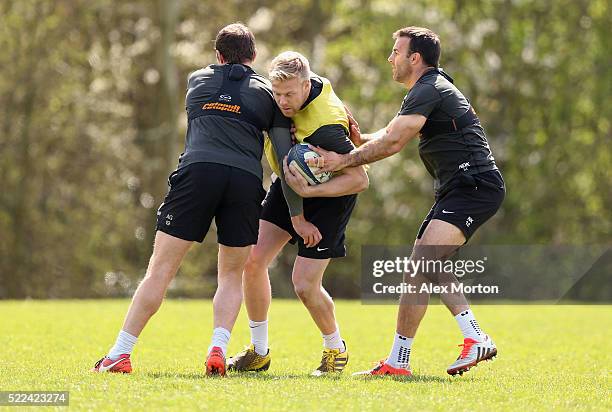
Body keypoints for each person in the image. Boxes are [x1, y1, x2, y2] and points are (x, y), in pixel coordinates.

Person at [92, 23, 305, 376]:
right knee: (231, 274)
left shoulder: (197, 80)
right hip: (244, 181)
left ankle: (120, 354)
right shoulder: (268, 95)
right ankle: (218, 349)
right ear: (253, 57)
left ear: (217, 54)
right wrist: (297, 210)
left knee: (160, 269)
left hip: (198, 173)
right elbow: (285, 158)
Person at [310, 27, 505, 376]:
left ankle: (473, 338)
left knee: (424, 262)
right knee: (424, 267)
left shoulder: (429, 88)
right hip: (459, 188)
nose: (391, 58)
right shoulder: (426, 89)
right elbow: (386, 135)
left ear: (414, 58)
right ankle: (401, 361)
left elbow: (392, 143)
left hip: (474, 185)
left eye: (396, 52)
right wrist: (352, 142)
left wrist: (343, 160)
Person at [227, 51, 368, 376]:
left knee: (304, 284)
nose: (282, 101)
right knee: (253, 260)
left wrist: (310, 193)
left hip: (330, 197)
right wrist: (296, 208)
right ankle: (259, 352)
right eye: (277, 94)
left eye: (289, 94)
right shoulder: (280, 98)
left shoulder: (328, 126)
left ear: (306, 85)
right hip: (289, 184)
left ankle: (336, 350)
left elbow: (359, 179)